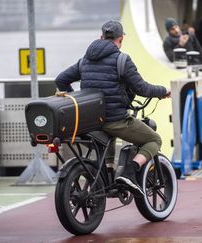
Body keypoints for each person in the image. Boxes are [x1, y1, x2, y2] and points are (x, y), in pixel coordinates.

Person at [55, 20, 171, 197]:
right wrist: (163, 92)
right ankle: (130, 173)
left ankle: (108, 173)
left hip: (91, 121)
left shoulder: (85, 60)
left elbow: (61, 80)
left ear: (101, 37)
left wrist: (77, 102)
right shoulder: (122, 60)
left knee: (107, 135)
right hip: (115, 120)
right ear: (121, 38)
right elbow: (142, 88)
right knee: (154, 140)